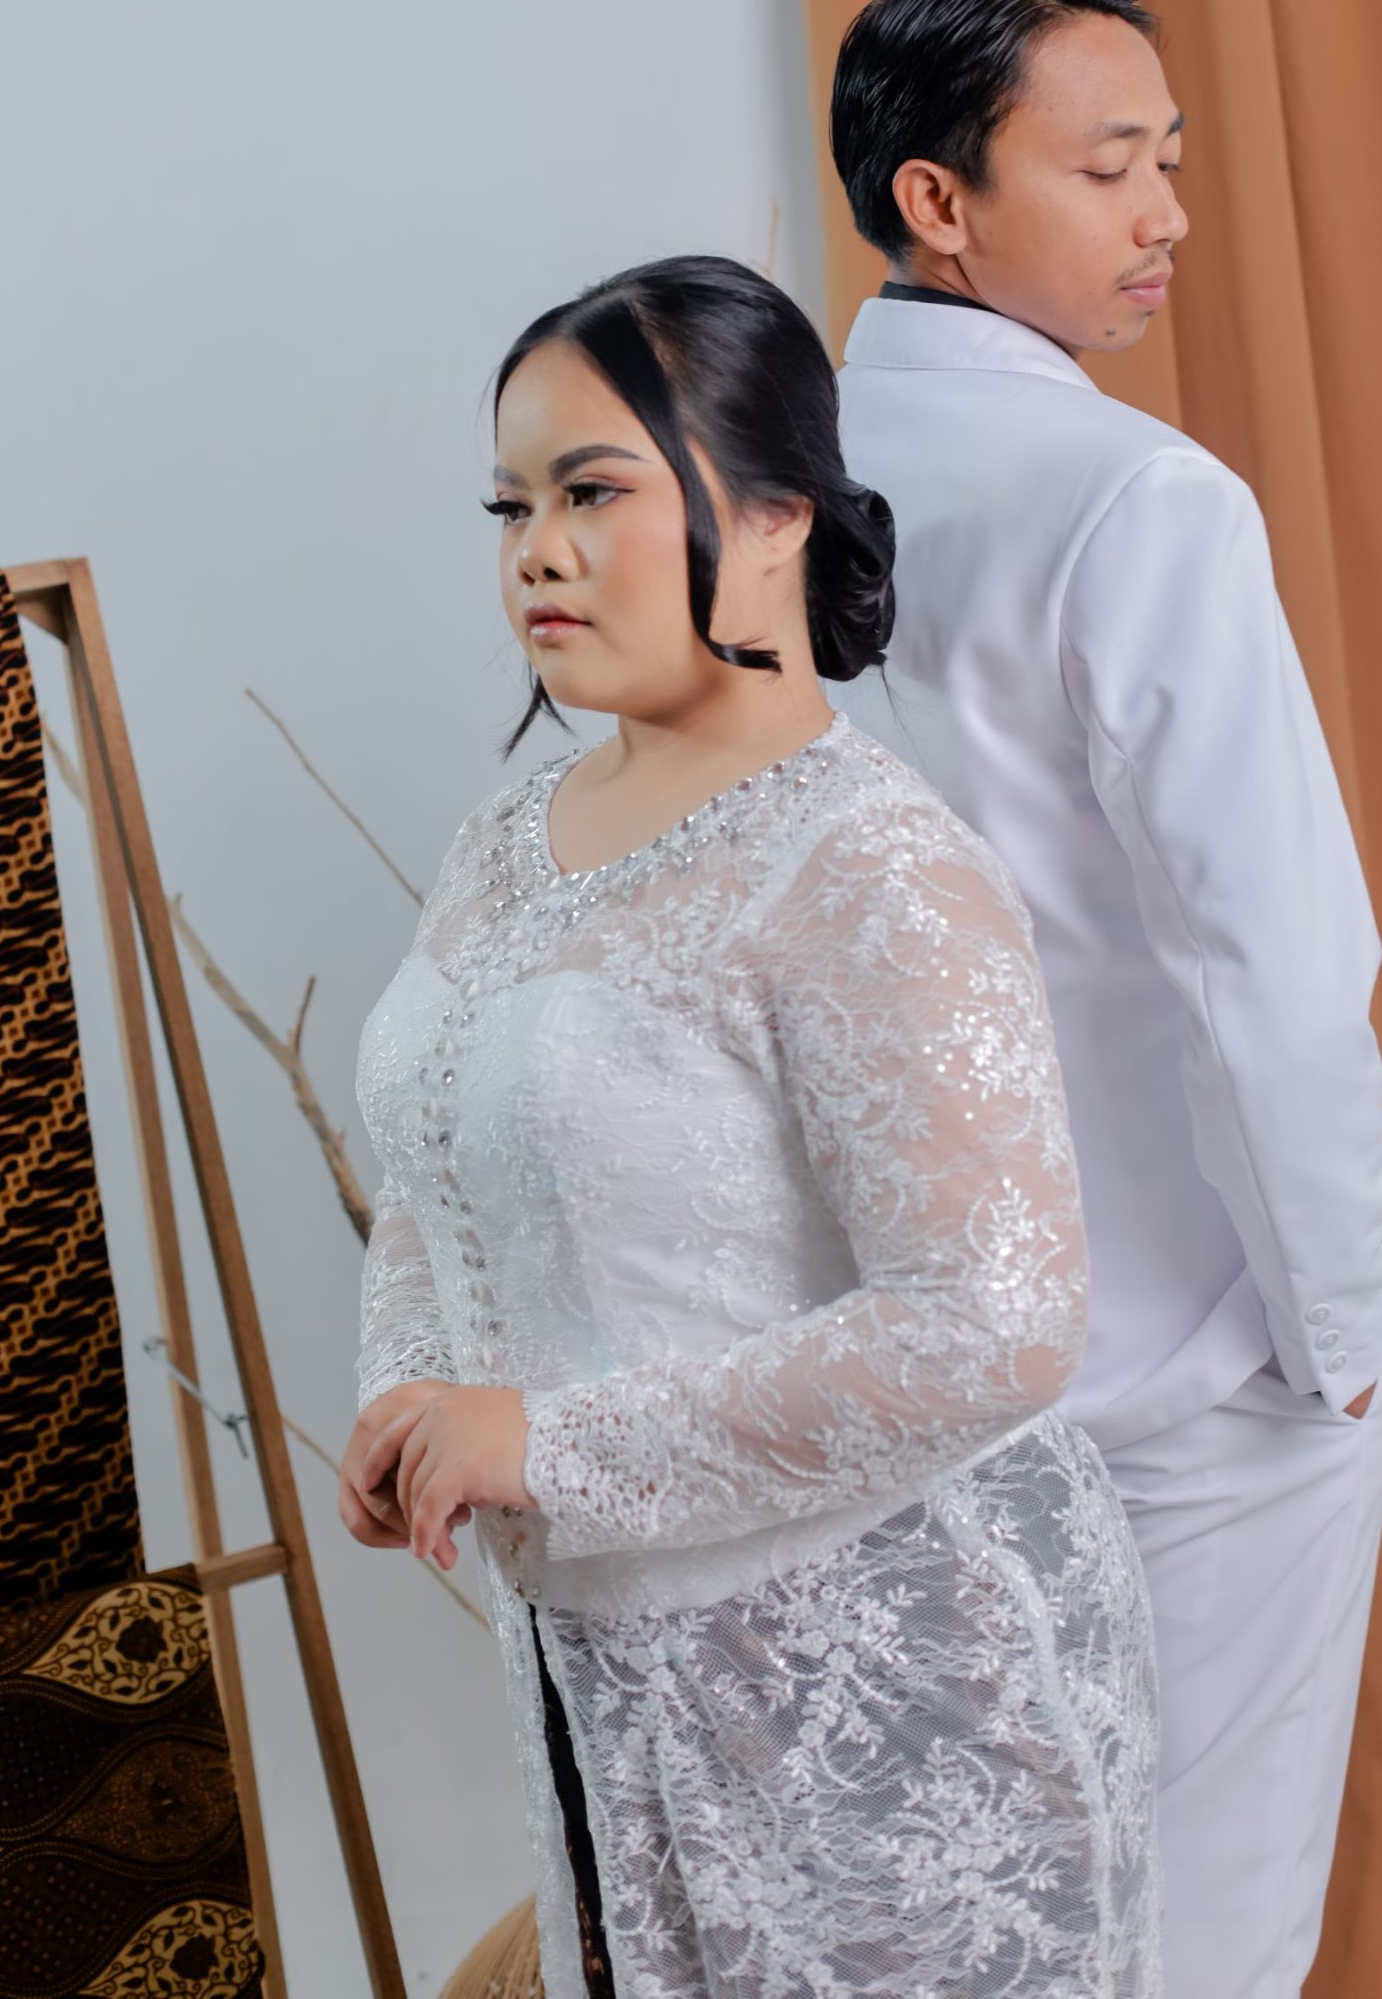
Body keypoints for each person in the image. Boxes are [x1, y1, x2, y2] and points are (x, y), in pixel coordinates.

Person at [337, 255, 1161, 1999]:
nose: (537, 551)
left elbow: (996, 1321)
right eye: (512, 506)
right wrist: (413, 1394)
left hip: (882, 1691)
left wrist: (541, 1443)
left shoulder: (873, 866)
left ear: (780, 510)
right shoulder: (511, 836)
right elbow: (431, 1156)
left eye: (593, 492)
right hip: (600, 1684)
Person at [828, 0, 1382, 1999]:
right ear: (939, 199)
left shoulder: (764, 490)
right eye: (1108, 167)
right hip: (1191, 1357)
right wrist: (1339, 1327)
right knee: (1204, 1929)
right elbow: (1268, 964)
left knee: (973, 1924)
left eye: (1169, 160)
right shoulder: (1138, 496)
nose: (1165, 214)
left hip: (905, 1362)